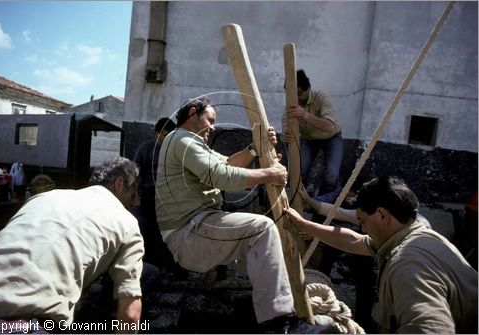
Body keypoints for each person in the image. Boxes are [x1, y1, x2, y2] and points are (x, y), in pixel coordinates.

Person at [155, 96, 326, 333]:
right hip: (189, 233)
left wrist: (255, 148)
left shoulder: (187, 142)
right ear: (193, 113)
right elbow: (221, 177)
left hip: (194, 229)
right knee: (262, 228)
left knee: (259, 245)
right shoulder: (182, 140)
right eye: (210, 120)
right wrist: (269, 174)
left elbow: (226, 164)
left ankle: (260, 309)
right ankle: (278, 322)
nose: (213, 127)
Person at [286, 176, 478, 333]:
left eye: (362, 221)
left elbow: (432, 329)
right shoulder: (416, 237)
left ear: (383, 215)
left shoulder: (407, 263)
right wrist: (305, 225)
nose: (362, 228)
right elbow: (353, 240)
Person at [0, 157, 144, 333]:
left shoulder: (43, 198)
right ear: (119, 184)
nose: (135, 203)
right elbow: (130, 313)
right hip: (25, 323)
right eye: (133, 194)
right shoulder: (127, 222)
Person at [132, 117, 180, 288]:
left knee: (168, 234)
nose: (167, 139)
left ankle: (170, 269)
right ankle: (152, 269)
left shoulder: (176, 150)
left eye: (171, 136)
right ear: (157, 133)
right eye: (164, 135)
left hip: (170, 200)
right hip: (148, 198)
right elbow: (134, 173)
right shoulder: (146, 148)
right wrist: (135, 196)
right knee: (149, 233)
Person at [282, 69, 343, 203]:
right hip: (309, 139)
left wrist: (305, 115)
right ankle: (299, 202)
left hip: (331, 137)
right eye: (292, 95)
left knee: (331, 175)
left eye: (299, 94)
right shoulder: (291, 104)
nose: (296, 99)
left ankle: (323, 206)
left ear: (308, 88)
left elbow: (330, 127)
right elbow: (285, 124)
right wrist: (286, 133)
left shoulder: (321, 98)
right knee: (299, 170)